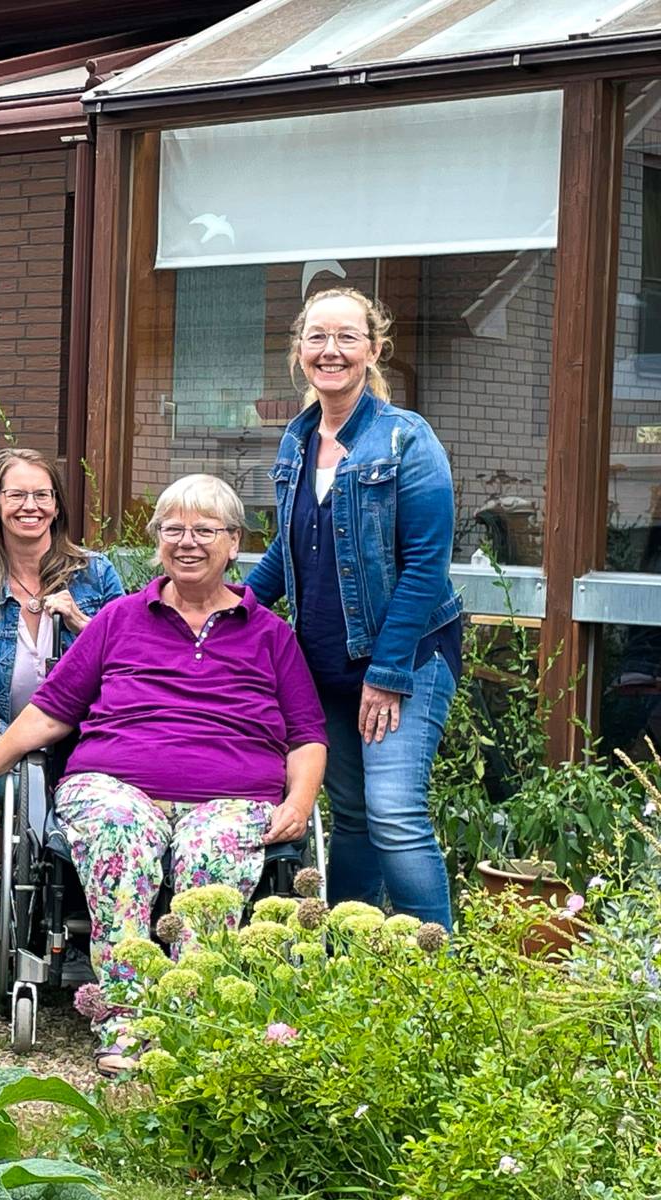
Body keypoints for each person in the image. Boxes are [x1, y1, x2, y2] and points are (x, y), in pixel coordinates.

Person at [0, 474, 326, 1075]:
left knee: (213, 849)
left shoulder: (271, 635)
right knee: (117, 830)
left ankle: (189, 1015)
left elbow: (306, 735)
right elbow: (50, 711)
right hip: (115, 784)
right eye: (173, 529)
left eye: (205, 530)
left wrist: (300, 801)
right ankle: (127, 1014)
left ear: (234, 544)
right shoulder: (120, 618)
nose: (187, 542)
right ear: (157, 542)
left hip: (232, 794)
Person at [247, 288, 462, 929]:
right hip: (324, 667)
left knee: (394, 813)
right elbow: (288, 556)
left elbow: (427, 565)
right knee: (352, 817)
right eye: (317, 337)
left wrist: (388, 672)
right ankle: (354, 962)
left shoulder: (406, 440)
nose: (330, 351)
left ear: (372, 349)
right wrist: (219, 611)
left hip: (407, 659)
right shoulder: (296, 440)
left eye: (346, 337)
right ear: (299, 352)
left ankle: (440, 968)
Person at [0, 447, 123, 748]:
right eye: (16, 495)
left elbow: (131, 664)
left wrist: (82, 624)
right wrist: (18, 747)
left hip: (91, 748)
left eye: (42, 495)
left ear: (56, 507)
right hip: (6, 755)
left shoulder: (96, 574)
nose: (30, 506)